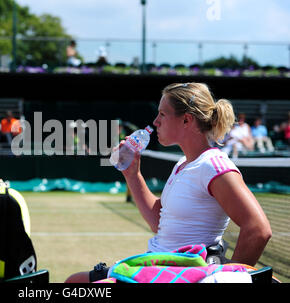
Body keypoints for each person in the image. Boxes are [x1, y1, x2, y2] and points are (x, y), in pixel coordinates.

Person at [65, 82, 272, 283]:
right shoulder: (183, 163)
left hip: (176, 272)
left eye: (162, 114)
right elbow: (158, 222)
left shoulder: (214, 166)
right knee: (74, 281)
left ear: (186, 120)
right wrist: (132, 174)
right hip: (155, 265)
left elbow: (258, 229)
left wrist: (228, 278)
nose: (155, 121)